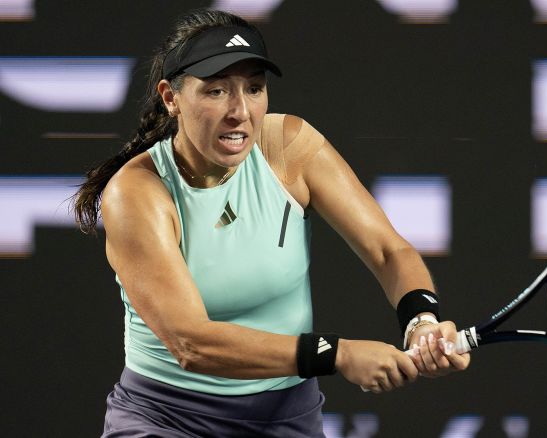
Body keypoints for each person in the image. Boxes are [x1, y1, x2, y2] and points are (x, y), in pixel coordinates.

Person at [73, 8, 469, 437]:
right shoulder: (136, 193)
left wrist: (422, 322)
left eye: (254, 89)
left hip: (285, 416)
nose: (240, 111)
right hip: (167, 418)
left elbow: (387, 249)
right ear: (171, 98)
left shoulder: (288, 146)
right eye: (216, 91)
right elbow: (191, 343)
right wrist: (336, 353)